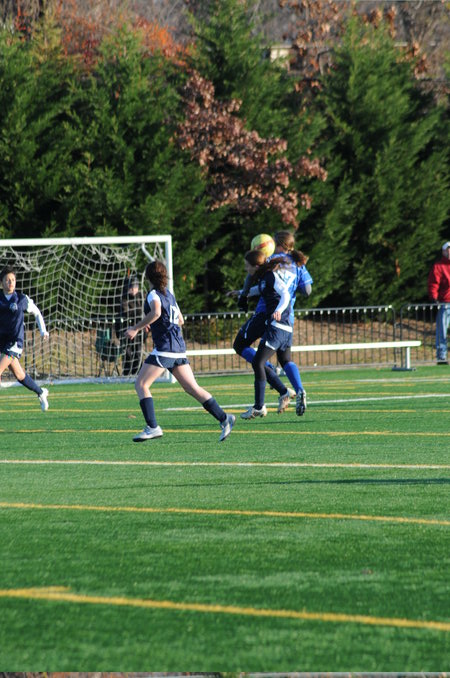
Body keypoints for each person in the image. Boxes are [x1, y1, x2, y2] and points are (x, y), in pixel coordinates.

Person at [125, 260, 235, 442]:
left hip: (165, 349)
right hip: (178, 349)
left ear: (148, 277)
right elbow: (180, 320)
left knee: (142, 385)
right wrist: (156, 324)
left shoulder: (153, 294)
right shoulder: (169, 295)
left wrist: (136, 328)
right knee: (192, 388)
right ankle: (224, 418)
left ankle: (152, 427)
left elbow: (157, 313)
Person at [232, 230, 313, 415]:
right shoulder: (298, 264)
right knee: (285, 360)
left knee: (241, 346)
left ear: (277, 244)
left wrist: (244, 294)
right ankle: (297, 389)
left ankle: (267, 375)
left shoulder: (270, 261)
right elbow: (307, 290)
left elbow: (253, 276)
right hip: (287, 316)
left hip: (267, 314)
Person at [240, 253, 297, 420]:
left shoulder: (271, 276)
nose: (246, 269)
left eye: (248, 266)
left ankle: (259, 406)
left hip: (278, 326)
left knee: (258, 362)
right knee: (265, 361)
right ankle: (283, 393)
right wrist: (241, 293)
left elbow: (285, 294)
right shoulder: (264, 278)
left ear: (256, 266)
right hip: (283, 328)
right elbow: (261, 289)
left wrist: (278, 310)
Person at [0, 265, 49, 410]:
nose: (11, 283)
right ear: (1, 282)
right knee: (19, 375)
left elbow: (37, 313)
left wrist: (43, 331)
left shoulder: (21, 299)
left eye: (13, 280)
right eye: (7, 280)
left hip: (15, 342)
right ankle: (41, 392)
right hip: (2, 342)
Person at [116, 276, 146, 375]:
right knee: (127, 351)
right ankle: (127, 372)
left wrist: (144, 320)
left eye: (135, 287)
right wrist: (140, 314)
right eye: (131, 287)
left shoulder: (142, 296)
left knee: (138, 351)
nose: (133, 289)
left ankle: (139, 371)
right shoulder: (123, 298)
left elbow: (145, 311)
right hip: (126, 328)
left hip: (139, 329)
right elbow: (126, 312)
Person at [428, 241, 450, 365]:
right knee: (442, 331)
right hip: (445, 303)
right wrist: (434, 297)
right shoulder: (439, 266)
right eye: (448, 249)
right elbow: (433, 283)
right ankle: (442, 356)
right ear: (443, 251)